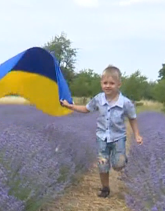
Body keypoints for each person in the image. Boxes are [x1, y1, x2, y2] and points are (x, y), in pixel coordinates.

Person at [61, 65, 143, 198]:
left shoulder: (126, 103)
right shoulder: (98, 99)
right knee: (103, 164)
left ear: (119, 84)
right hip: (102, 137)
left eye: (112, 83)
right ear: (101, 84)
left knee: (118, 164)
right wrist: (70, 106)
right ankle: (105, 188)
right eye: (105, 83)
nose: (108, 86)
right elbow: (86, 109)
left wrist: (137, 135)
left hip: (118, 138)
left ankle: (120, 161)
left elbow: (132, 118)